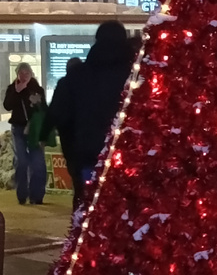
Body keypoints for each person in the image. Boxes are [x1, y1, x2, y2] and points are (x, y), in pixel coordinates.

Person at [49, 21, 134, 196]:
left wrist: (72, 153)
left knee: (87, 204)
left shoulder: (76, 77)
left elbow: (59, 115)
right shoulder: (138, 75)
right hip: (130, 157)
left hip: (87, 154)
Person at [3, 62, 47, 204]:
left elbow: (44, 109)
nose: (24, 75)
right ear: (17, 74)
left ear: (31, 73)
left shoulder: (37, 89)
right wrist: (17, 91)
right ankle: (22, 195)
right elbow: (7, 105)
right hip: (18, 128)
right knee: (21, 161)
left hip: (34, 129)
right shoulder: (12, 88)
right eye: (21, 73)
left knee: (37, 162)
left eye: (26, 72)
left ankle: (37, 196)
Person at [43, 56, 84, 209]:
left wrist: (44, 134)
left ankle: (79, 208)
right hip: (86, 138)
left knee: (76, 176)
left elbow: (53, 112)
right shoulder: (90, 84)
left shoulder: (64, 84)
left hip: (69, 139)